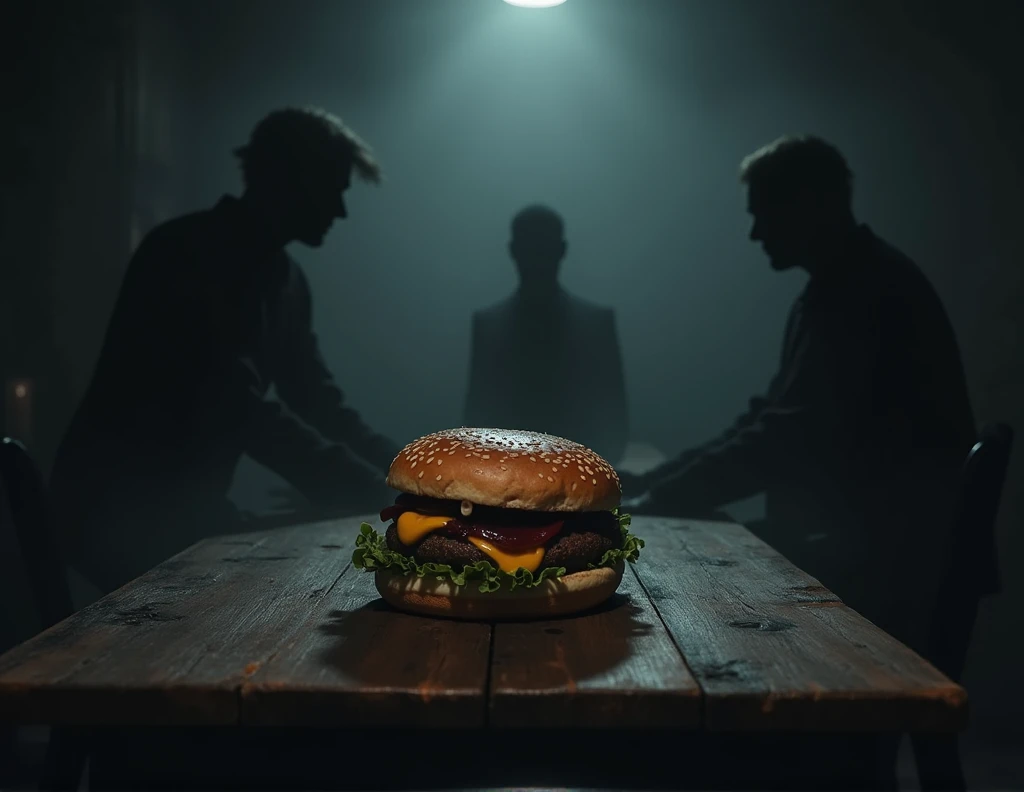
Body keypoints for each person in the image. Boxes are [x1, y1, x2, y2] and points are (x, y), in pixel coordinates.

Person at [620, 135, 976, 651]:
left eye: (763, 212)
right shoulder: (846, 284)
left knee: (690, 601)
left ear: (808, 203)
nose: (754, 232)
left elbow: (786, 436)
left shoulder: (859, 293)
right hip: (872, 543)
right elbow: (768, 417)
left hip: (885, 562)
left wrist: (662, 496)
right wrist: (658, 480)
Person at [49, 107, 401, 593]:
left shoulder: (285, 279)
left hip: (174, 514)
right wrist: (374, 489)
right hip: (113, 513)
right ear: (294, 178)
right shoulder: (185, 254)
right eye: (335, 189)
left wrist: (407, 471)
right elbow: (238, 408)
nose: (341, 211)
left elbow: (318, 402)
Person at [463, 205, 628, 465]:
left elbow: (475, 417)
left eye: (541, 248)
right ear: (562, 250)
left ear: (512, 250)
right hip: (544, 475)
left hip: (519, 476)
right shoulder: (596, 323)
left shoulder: (488, 325)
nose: (536, 258)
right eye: (532, 248)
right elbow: (614, 420)